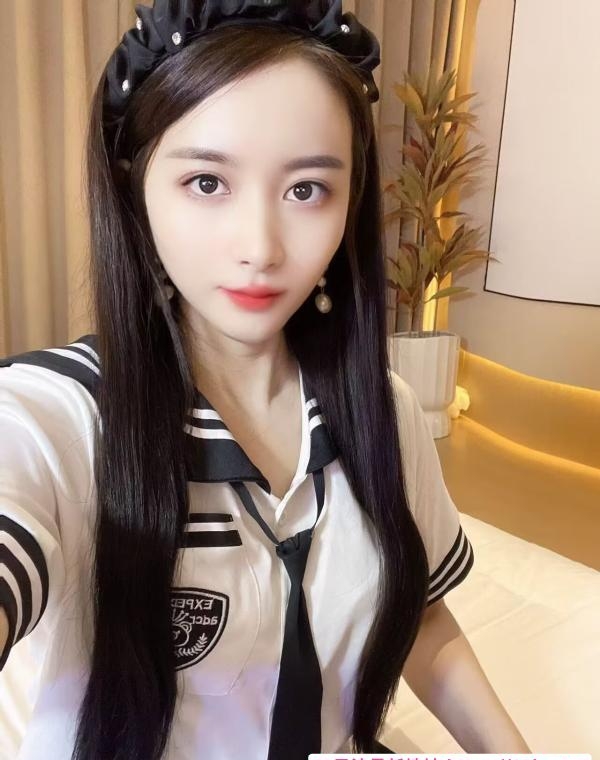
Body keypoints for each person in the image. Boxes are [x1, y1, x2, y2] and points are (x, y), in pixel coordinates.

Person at [0, 1, 532, 758]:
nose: (260, 247)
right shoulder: (59, 416)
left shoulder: (385, 409)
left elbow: (417, 613)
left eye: (306, 190)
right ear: (136, 189)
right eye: (207, 182)